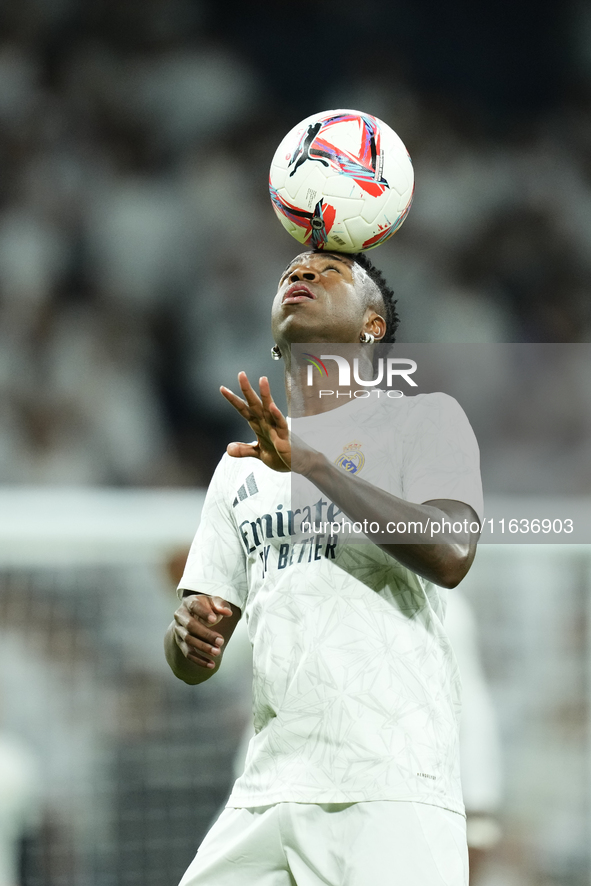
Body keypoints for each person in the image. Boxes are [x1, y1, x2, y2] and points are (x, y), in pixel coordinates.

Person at [164, 250, 483, 886]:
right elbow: (192, 657)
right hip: (268, 787)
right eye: (290, 273)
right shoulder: (241, 465)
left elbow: (451, 554)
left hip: (387, 784)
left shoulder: (424, 419)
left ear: (371, 324)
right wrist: (187, 639)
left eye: (326, 273)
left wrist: (314, 463)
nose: (300, 276)